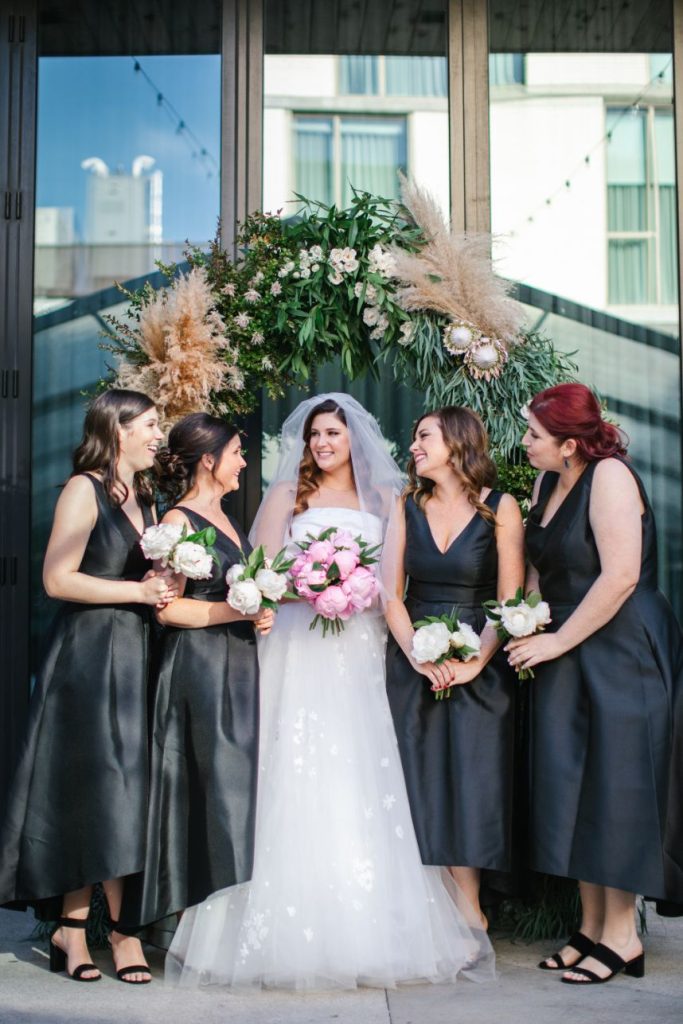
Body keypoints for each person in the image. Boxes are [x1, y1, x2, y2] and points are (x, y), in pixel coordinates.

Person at [165, 393, 494, 990]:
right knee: (291, 765)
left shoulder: (388, 499)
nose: (321, 443)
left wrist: (357, 588)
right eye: (314, 434)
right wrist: (313, 584)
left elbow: (394, 582)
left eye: (332, 434)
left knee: (361, 767)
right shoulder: (288, 496)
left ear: (354, 440)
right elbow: (260, 575)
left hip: (361, 647)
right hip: (298, 643)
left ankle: (372, 928)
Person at [506, 382, 683, 985]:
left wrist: (555, 641)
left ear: (570, 444)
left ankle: (623, 936)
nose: (525, 442)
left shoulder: (610, 477)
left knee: (617, 787)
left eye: (534, 433)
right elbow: (540, 569)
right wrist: (527, 619)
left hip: (621, 646)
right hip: (567, 646)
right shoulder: (545, 481)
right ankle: (590, 927)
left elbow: (621, 577)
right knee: (575, 786)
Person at [0, 389, 175, 983]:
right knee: (89, 791)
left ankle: (115, 932)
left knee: (124, 792)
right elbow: (57, 579)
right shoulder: (84, 489)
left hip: (134, 654)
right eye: (150, 424)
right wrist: (137, 591)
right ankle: (77, 932)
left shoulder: (144, 495)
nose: (158, 434)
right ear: (118, 429)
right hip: (87, 658)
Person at [119, 413, 273, 931]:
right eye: (236, 454)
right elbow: (168, 609)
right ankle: (195, 923)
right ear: (209, 460)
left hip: (237, 664)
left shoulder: (224, 516)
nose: (243, 463)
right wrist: (242, 609)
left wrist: (260, 612)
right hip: (200, 669)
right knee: (215, 790)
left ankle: (225, 922)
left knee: (234, 790)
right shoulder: (178, 522)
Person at [384, 406, 525, 928]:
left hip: (480, 661)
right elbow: (390, 594)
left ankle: (469, 911)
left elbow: (509, 602)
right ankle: (426, 914)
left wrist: (475, 662)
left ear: (457, 443)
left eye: (425, 437)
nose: (414, 446)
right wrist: (418, 656)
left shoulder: (501, 508)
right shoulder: (406, 504)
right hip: (413, 658)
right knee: (417, 778)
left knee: (473, 778)